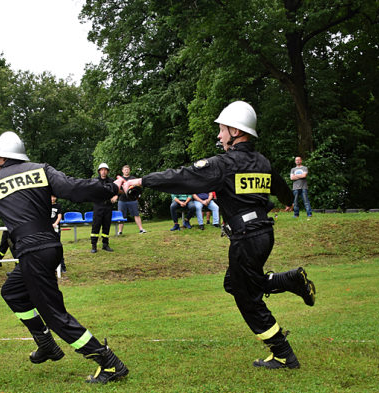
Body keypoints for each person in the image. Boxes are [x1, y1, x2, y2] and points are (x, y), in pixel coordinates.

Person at [122, 101, 316, 369]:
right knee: (234, 284)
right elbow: (282, 189)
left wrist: (142, 181)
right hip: (262, 234)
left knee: (247, 300)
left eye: (222, 130)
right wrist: (287, 201)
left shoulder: (224, 164)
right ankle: (290, 280)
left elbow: (183, 176)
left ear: (235, 131)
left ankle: (283, 353)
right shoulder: (262, 161)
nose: (219, 135)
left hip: (246, 238)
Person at [0, 131, 129, 384]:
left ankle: (109, 363)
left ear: (2, 157)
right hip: (49, 246)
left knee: (55, 315)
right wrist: (112, 187)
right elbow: (74, 188)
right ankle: (46, 344)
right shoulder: (41, 170)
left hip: (31, 251)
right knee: (13, 292)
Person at [90, 163, 116, 253]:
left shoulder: (112, 181)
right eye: (102, 169)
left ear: (107, 171)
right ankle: (94, 245)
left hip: (108, 205)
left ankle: (105, 244)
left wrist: (116, 196)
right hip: (98, 205)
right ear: (99, 171)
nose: (104, 171)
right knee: (96, 225)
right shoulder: (95, 181)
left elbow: (118, 189)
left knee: (107, 225)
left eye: (105, 170)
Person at [116, 165, 146, 235]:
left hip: (132, 199)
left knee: (136, 214)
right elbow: (117, 189)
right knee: (121, 216)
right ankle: (120, 231)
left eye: (127, 169)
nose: (126, 170)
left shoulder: (132, 178)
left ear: (129, 170)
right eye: (125, 169)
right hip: (122, 200)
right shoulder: (120, 179)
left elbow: (138, 185)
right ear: (122, 171)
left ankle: (141, 229)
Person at [51, 195, 66, 272]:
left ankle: (62, 266)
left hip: (56, 229)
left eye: (54, 197)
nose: (53, 199)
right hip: (47, 230)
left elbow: (59, 216)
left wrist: (55, 224)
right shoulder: (45, 205)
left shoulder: (58, 206)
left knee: (58, 247)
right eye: (51, 197)